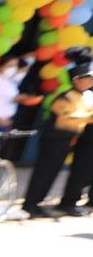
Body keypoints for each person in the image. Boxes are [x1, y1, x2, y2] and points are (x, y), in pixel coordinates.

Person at [21, 49, 93, 218]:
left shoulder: (84, 96)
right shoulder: (65, 96)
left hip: (67, 137)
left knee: (52, 171)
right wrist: (87, 118)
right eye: (87, 78)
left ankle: (37, 203)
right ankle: (31, 203)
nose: (91, 80)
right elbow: (65, 118)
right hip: (55, 137)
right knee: (45, 170)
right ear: (76, 80)